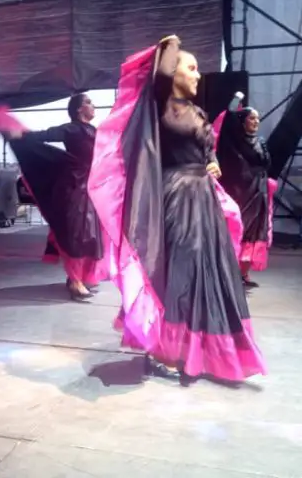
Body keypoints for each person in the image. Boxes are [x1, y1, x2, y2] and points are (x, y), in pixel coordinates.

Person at [87, 36, 265, 384]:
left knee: (207, 274)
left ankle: (204, 352)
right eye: (191, 67)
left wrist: (212, 164)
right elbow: (161, 71)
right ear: (174, 73)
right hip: (175, 199)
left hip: (203, 201)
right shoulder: (160, 105)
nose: (198, 75)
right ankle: (161, 351)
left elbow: (206, 150)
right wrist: (171, 44)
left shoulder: (197, 112)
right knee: (177, 275)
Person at [0, 93, 105, 301]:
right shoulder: (70, 129)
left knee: (88, 234)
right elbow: (42, 136)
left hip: (88, 187)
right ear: (79, 109)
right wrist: (18, 134)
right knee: (74, 233)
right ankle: (74, 281)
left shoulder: (94, 131)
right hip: (72, 187)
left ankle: (79, 277)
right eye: (89, 102)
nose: (93, 106)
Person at [214, 100, 276, 288]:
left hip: (259, 192)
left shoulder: (261, 142)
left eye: (258, 119)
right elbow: (228, 119)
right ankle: (228, 273)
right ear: (243, 121)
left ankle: (243, 274)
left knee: (255, 232)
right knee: (238, 228)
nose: (256, 122)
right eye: (252, 118)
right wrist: (235, 99)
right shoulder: (234, 141)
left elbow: (267, 164)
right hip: (241, 191)